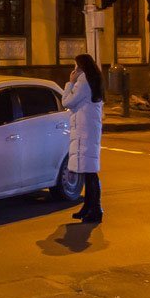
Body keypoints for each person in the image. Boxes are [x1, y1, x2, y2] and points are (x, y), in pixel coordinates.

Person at [63, 53, 104, 224]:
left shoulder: (83, 80)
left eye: (76, 67)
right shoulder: (93, 79)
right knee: (89, 172)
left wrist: (70, 82)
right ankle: (89, 207)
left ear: (81, 67)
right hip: (89, 129)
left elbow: (67, 102)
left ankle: (95, 210)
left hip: (84, 130)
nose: (74, 70)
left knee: (90, 173)